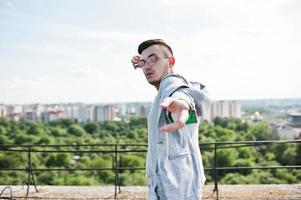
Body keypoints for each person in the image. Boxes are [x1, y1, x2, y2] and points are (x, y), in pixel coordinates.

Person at [131, 39, 210, 200]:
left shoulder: (172, 85)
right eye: (144, 62)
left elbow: (182, 94)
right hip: (165, 187)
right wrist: (143, 62)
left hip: (178, 190)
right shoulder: (162, 93)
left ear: (171, 61)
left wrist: (182, 106)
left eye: (154, 59)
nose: (147, 66)